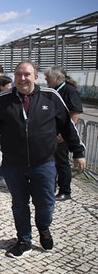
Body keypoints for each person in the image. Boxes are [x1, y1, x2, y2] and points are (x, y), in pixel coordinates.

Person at [0, 60, 86, 257]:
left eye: (27, 74)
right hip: (13, 164)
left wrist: (78, 152)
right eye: (18, 74)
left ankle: (43, 227)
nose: (22, 78)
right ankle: (24, 240)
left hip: (43, 163)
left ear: (36, 77)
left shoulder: (51, 97)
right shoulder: (3, 99)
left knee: (45, 204)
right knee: (19, 204)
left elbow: (68, 126)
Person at [44, 65, 83, 201]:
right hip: (52, 133)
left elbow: (75, 113)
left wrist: (64, 133)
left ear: (58, 78)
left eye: (48, 77)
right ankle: (52, 185)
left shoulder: (69, 91)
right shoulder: (53, 90)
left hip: (63, 134)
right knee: (52, 161)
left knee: (61, 162)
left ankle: (65, 190)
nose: (46, 79)